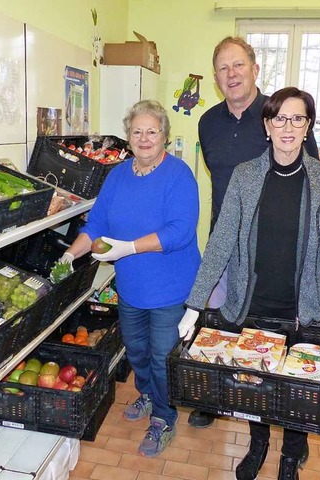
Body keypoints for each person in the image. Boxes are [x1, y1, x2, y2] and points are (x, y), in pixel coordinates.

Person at [178, 87, 320, 480]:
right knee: (255, 382)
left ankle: (291, 456)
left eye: (297, 118)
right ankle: (258, 444)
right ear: (266, 126)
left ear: (307, 127)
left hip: (300, 308)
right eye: (279, 118)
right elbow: (221, 241)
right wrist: (194, 302)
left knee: (296, 389)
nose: (287, 127)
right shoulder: (246, 176)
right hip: (253, 305)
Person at [189, 36, 320, 428]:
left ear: (255, 69)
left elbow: (308, 181)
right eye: (224, 68)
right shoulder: (207, 122)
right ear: (215, 77)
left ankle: (280, 412)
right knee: (217, 321)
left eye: (239, 65)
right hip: (223, 242)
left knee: (266, 330)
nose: (232, 74)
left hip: (271, 250)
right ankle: (214, 397)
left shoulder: (279, 116)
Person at [61, 100, 201, 457]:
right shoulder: (118, 175)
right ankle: (148, 394)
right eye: (137, 131)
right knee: (136, 352)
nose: (144, 138)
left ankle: (164, 417)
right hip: (132, 287)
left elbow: (179, 233)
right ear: (128, 137)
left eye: (152, 131)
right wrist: (69, 253)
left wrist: (127, 248)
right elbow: (95, 225)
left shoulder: (179, 175)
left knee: (161, 357)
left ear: (164, 136)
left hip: (171, 287)